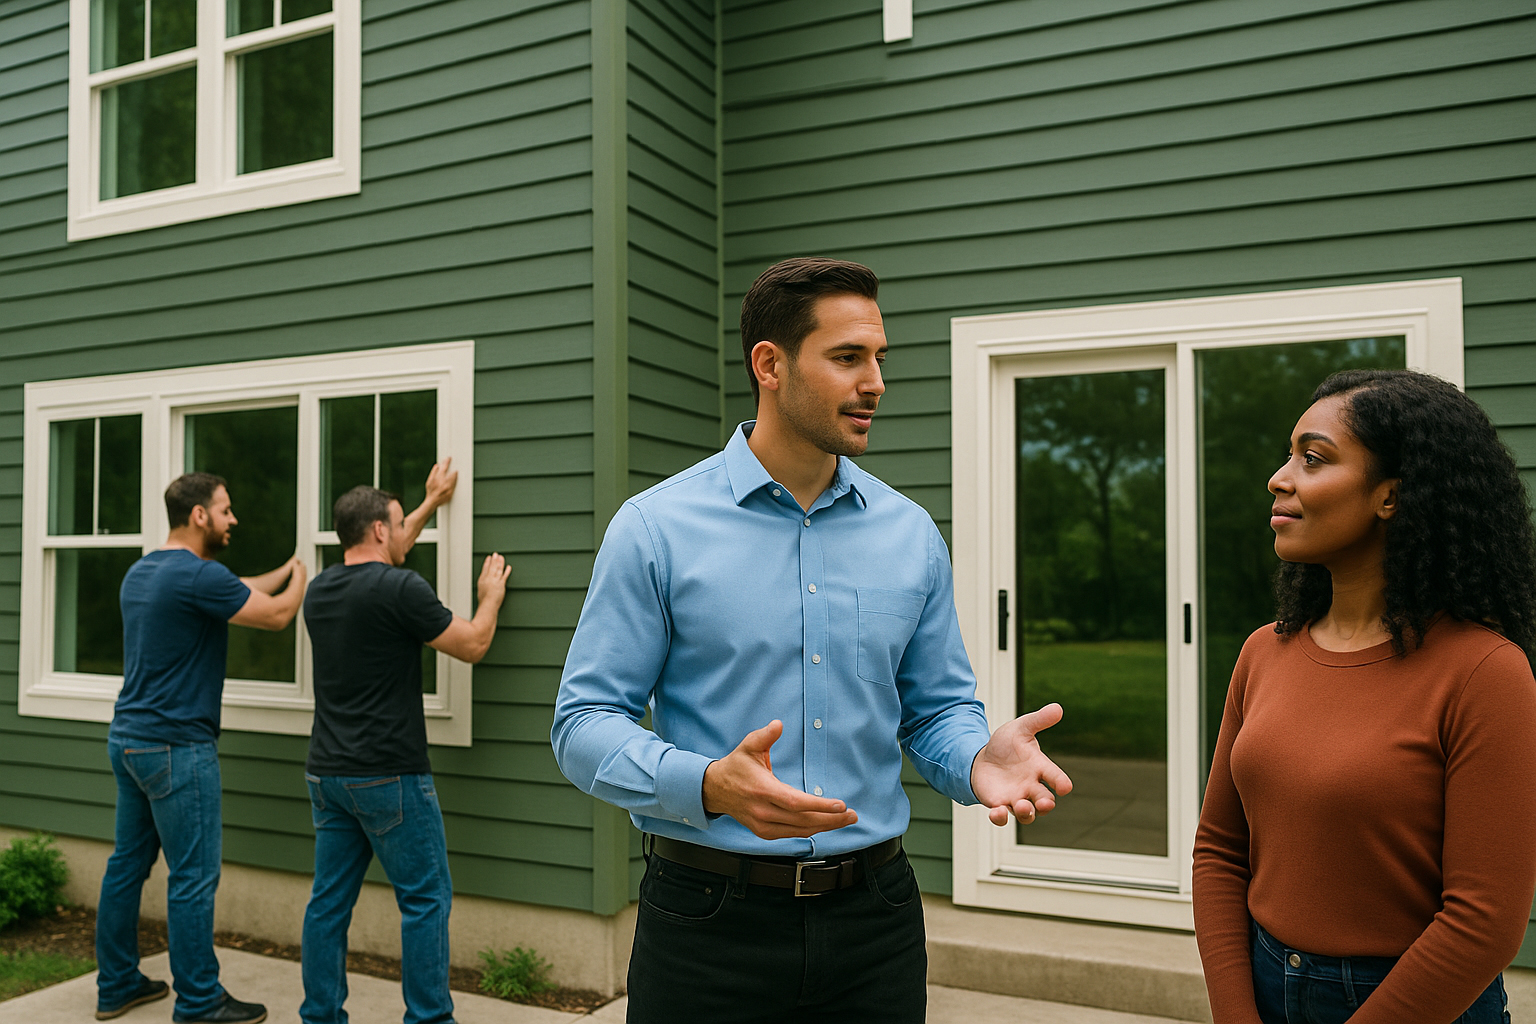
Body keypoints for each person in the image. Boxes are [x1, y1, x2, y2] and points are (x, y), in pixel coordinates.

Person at [551, 257, 1073, 1024]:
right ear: (770, 365)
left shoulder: (911, 535)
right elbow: (582, 724)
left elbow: (935, 710)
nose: (876, 383)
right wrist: (706, 784)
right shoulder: (655, 529)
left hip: (877, 925)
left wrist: (972, 759)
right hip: (706, 924)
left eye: (879, 358)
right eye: (848, 357)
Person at [1192, 369, 1536, 1023]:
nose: (1279, 478)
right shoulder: (1263, 652)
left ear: (1391, 496)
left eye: (1313, 458)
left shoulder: (1485, 671)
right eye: (1289, 455)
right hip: (1263, 986)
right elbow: (1219, 851)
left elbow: (1484, 921)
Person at [298, 462, 510, 1024]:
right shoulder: (400, 589)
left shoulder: (319, 590)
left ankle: (320, 1016)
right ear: (377, 530)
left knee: (327, 904)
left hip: (327, 775)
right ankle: (429, 1019)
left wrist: (430, 502)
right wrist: (488, 596)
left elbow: (388, 547)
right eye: (396, 524)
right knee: (424, 900)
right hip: (389, 774)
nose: (404, 533)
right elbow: (472, 645)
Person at [96, 473, 307, 1023]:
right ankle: (199, 1001)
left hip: (128, 741)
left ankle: (115, 984)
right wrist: (304, 578)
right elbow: (276, 615)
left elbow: (237, 587)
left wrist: (285, 567)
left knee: (127, 865)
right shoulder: (199, 576)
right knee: (192, 877)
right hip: (176, 749)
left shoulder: (146, 570)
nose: (233, 519)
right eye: (225, 509)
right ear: (198, 516)